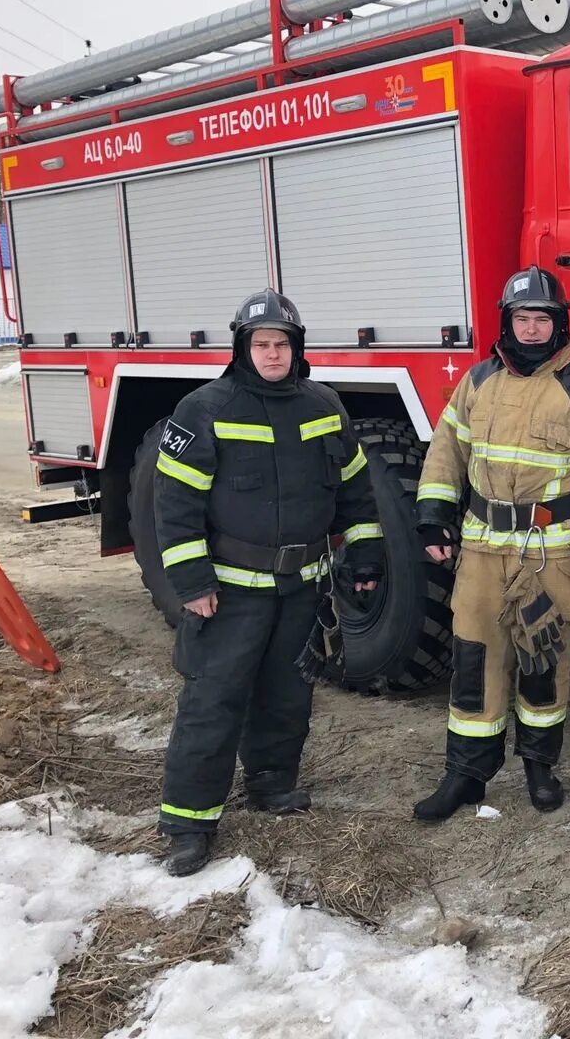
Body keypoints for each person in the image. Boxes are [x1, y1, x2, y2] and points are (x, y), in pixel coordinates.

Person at [152, 288, 384, 876]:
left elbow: (355, 489)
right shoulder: (202, 409)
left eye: (282, 343)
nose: (273, 354)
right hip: (229, 592)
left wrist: (365, 553)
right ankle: (187, 821)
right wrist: (192, 581)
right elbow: (174, 505)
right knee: (213, 699)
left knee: (288, 694)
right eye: (262, 344)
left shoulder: (325, 405)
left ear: (296, 348)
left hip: (302, 586)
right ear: (242, 348)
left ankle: (273, 784)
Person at [412, 265, 570, 820]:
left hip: (549, 554)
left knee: (543, 662)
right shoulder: (478, 382)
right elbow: (447, 451)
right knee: (473, 660)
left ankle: (540, 767)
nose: (531, 329)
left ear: (559, 324)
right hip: (482, 550)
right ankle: (465, 776)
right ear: (507, 323)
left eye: (541, 319)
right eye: (522, 318)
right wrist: (434, 515)